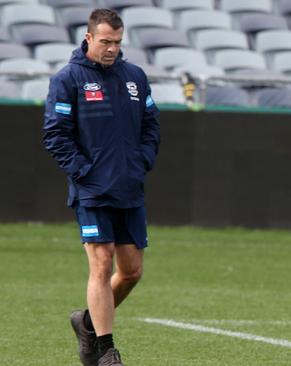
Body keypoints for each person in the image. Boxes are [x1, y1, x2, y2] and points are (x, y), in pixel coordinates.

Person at [43, 8, 160, 366]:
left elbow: (151, 126)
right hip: (92, 190)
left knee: (131, 272)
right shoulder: (68, 79)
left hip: (129, 187)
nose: (112, 48)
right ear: (89, 37)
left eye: (118, 42)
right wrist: (84, 172)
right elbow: (56, 135)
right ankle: (106, 349)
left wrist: (141, 162)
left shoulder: (135, 77)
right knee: (101, 263)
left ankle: (88, 323)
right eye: (106, 41)